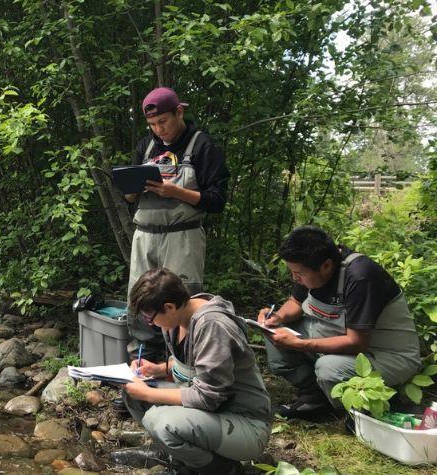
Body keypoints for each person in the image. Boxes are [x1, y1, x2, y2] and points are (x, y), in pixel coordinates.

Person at [258, 226, 421, 420]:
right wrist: (278, 317)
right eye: (293, 272)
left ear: (326, 266)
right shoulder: (312, 266)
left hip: (388, 354)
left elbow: (357, 342)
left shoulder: (360, 276)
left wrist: (300, 344)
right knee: (273, 331)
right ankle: (314, 399)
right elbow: (295, 302)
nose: (295, 278)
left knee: (329, 368)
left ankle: (357, 413)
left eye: (298, 273)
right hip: (340, 338)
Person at [124, 268, 271, 475]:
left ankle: (223, 468)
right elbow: (194, 365)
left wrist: (148, 393)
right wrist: (158, 369)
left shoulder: (213, 326)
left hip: (244, 421)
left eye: (150, 318)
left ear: (169, 307)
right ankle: (185, 456)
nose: (151, 324)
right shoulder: (177, 319)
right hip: (211, 412)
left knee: (162, 423)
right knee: (131, 394)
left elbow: (208, 397)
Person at [125, 86, 229, 361]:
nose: (158, 129)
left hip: (183, 237)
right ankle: (142, 374)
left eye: (163, 122)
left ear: (179, 112)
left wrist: (176, 192)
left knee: (182, 305)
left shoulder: (202, 145)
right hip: (144, 236)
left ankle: (185, 373)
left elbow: (217, 200)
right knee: (140, 305)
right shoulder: (146, 146)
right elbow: (128, 199)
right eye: (152, 124)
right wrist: (131, 190)